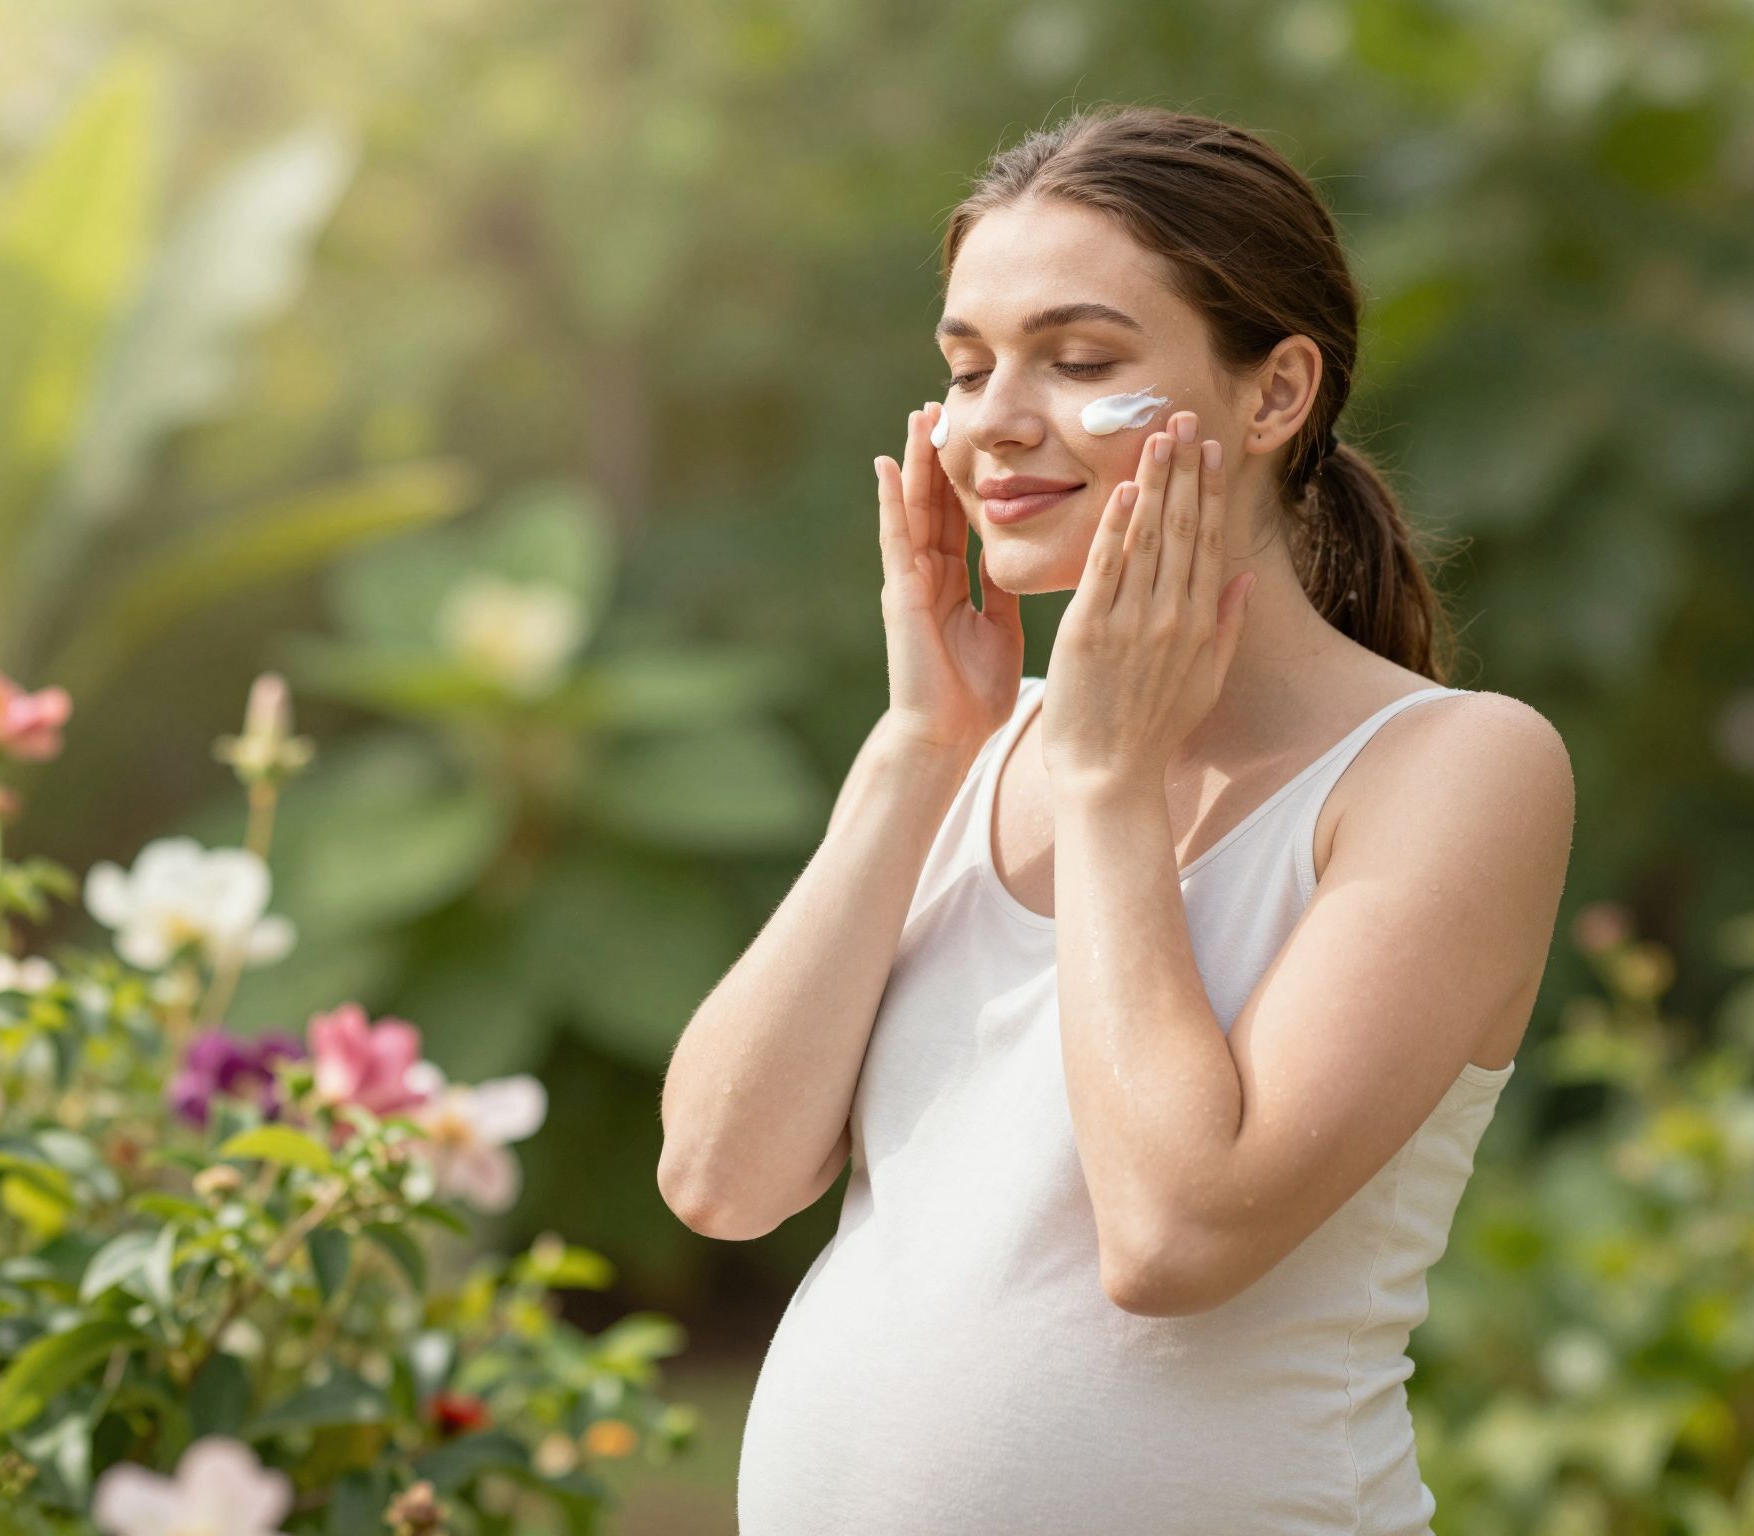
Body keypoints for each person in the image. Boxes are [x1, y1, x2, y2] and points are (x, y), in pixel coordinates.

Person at [657, 104, 1575, 1534]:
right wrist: (923, 743)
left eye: (1080, 360)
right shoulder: (965, 750)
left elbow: (1174, 1233)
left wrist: (1101, 781)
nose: (995, 423)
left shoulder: (1458, 772)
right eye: (966, 368)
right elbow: (720, 1178)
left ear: (1272, 397)